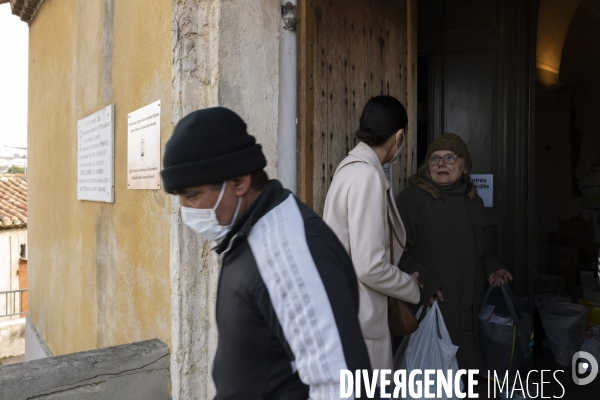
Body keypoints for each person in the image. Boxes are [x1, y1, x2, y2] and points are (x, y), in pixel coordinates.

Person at [160, 107, 372, 399]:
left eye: (192, 196)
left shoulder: (289, 253)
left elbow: (341, 386)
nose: (186, 211)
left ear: (239, 182)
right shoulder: (245, 234)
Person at [395, 132, 513, 371]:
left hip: (470, 309)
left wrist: (494, 269)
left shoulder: (473, 202)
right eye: (434, 159)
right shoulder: (412, 200)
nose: (441, 164)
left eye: (449, 157)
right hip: (432, 307)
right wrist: (424, 284)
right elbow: (395, 252)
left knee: (468, 374)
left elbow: (481, 252)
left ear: (464, 165)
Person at [323, 95, 421, 372]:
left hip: (348, 309)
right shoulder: (366, 176)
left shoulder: (350, 167)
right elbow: (369, 266)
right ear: (399, 136)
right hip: (361, 315)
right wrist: (408, 285)